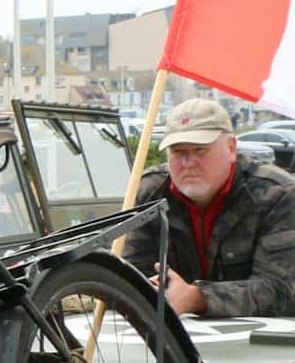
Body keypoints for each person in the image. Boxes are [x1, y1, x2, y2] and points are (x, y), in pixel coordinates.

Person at [118, 95, 295, 319]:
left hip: (270, 342)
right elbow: (132, 274)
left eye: (200, 150)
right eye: (178, 151)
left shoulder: (278, 194)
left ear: (231, 148)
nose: (188, 163)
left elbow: (280, 289)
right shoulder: (150, 192)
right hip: (178, 340)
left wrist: (197, 298)